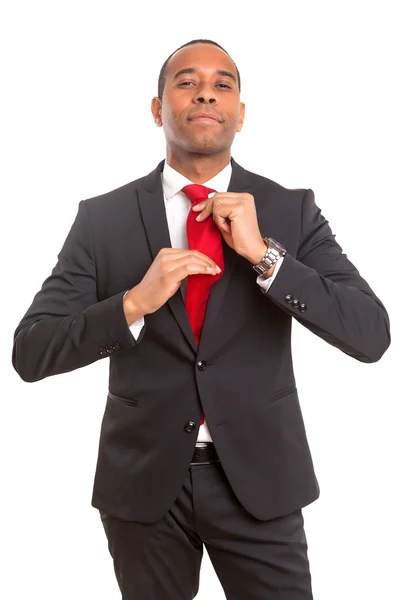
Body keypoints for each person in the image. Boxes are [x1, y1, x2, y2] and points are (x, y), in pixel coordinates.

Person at [12, 38, 390, 600]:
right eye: (186, 82)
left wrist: (266, 256)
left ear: (241, 112)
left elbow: (370, 333)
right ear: (157, 108)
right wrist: (133, 303)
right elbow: (31, 351)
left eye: (223, 84)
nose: (206, 93)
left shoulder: (291, 209)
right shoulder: (102, 218)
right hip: (142, 488)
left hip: (261, 484)